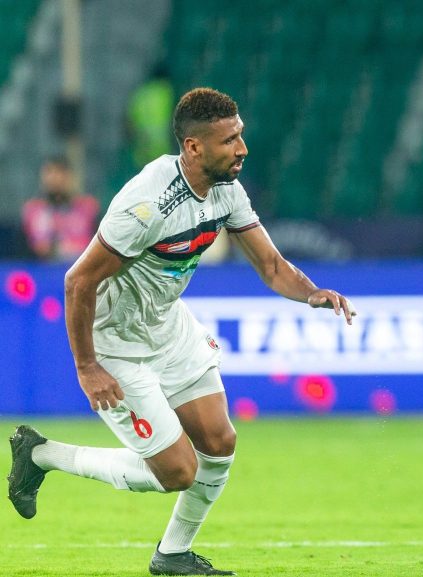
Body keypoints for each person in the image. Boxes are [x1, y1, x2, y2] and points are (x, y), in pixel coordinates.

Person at [7, 88, 356, 576]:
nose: (242, 149)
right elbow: (78, 281)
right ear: (193, 147)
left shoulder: (227, 190)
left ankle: (172, 555)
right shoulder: (147, 205)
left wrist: (312, 292)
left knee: (219, 440)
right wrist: (88, 366)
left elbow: (273, 266)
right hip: (117, 343)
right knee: (177, 471)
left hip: (169, 327)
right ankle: (42, 455)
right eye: (230, 140)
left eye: (240, 136)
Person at [21, 155, 99, 261]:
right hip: (41, 269)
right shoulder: (32, 210)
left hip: (81, 266)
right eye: (50, 172)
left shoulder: (88, 208)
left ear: (70, 177)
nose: (55, 178)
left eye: (60, 173)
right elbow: (29, 250)